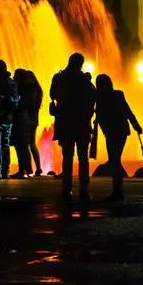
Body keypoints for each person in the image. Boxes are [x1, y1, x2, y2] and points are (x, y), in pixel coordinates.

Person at [49, 53, 95, 203]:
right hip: (82, 124)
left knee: (67, 157)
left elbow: (52, 94)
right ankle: (83, 190)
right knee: (83, 158)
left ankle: (66, 189)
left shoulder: (59, 78)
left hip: (66, 123)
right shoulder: (84, 79)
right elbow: (93, 98)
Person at [94, 74, 142, 203]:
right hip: (120, 131)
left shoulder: (99, 97)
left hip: (113, 132)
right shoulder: (117, 95)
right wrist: (136, 126)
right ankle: (117, 191)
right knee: (115, 159)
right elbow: (128, 112)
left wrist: (136, 126)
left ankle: (117, 192)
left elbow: (126, 111)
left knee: (114, 160)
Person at [12, 68, 44, 177]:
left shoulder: (26, 88)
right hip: (34, 120)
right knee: (32, 144)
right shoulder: (37, 90)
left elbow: (22, 104)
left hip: (25, 120)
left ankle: (25, 170)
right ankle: (38, 169)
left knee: (23, 145)